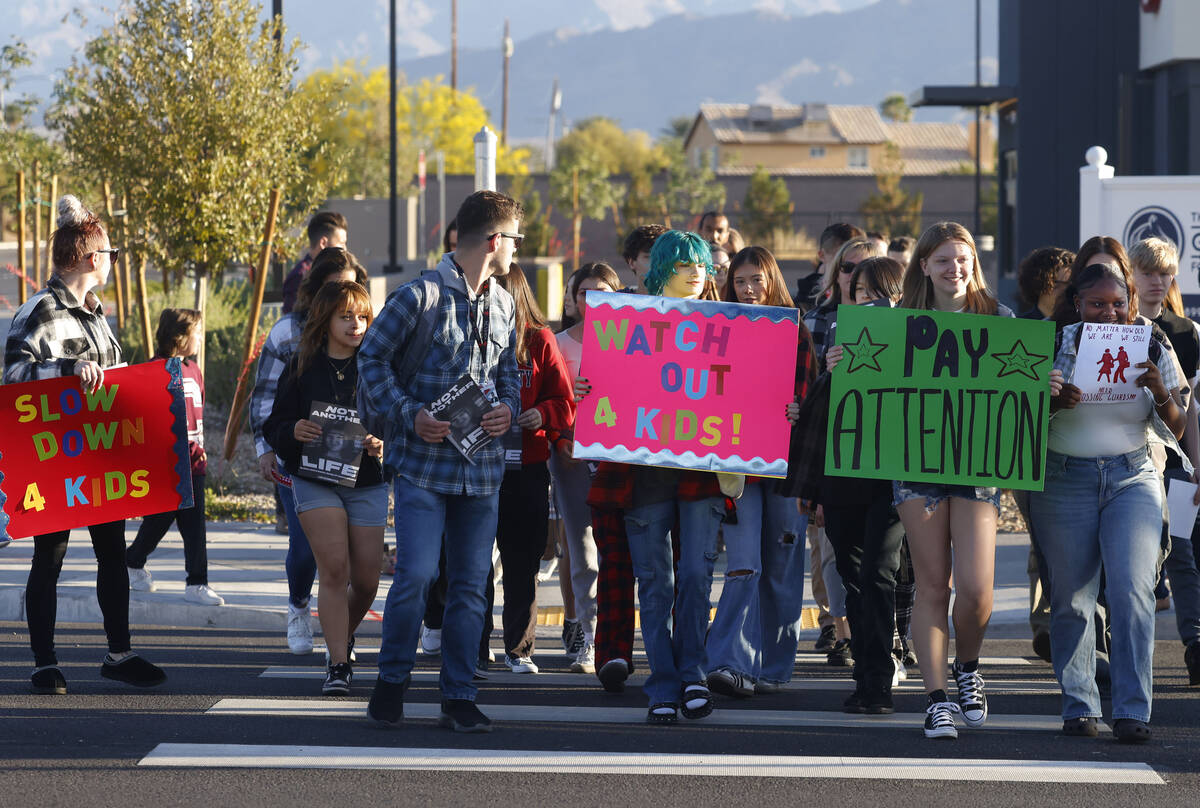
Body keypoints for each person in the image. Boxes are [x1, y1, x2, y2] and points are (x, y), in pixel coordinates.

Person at [360, 190, 522, 733]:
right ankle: (391, 683)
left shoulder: (504, 303)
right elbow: (371, 359)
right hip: (422, 469)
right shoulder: (418, 296)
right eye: (515, 239)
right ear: (494, 240)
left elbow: (508, 373)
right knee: (417, 576)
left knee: (471, 588)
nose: (517, 249)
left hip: (482, 473)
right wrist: (410, 414)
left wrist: (507, 408)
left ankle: (459, 696)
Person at [578, 231, 754, 725]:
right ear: (659, 269)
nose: (696, 272)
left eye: (700, 264)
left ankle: (692, 674)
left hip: (702, 476)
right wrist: (587, 388)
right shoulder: (625, 320)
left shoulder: (729, 324)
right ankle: (662, 683)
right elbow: (602, 385)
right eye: (682, 264)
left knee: (695, 577)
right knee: (655, 583)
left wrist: (778, 410)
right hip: (641, 476)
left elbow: (750, 387)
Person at [5, 195, 166, 695]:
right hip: (52, 460)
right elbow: (12, 378)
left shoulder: (97, 315)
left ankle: (119, 653)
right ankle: (44, 663)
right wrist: (68, 370)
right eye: (111, 254)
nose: (114, 262)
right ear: (93, 258)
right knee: (49, 557)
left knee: (112, 553)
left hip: (99, 457)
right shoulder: (38, 311)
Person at [1034, 261, 1184, 743]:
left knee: (1133, 592)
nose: (1110, 313)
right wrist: (1052, 401)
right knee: (1072, 598)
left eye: (1119, 303)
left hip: (1132, 477)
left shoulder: (1153, 342)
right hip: (1064, 479)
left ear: (1131, 303)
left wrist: (1159, 391)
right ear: (1078, 304)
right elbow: (1017, 418)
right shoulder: (1051, 343)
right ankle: (1080, 704)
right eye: (1097, 303)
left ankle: (1132, 709)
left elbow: (1180, 424)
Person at [891, 221, 1023, 739]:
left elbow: (1017, 390)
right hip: (915, 464)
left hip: (977, 466)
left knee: (975, 589)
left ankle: (968, 667)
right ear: (924, 265)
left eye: (963, 258)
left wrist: (1043, 383)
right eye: (943, 260)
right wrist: (843, 362)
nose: (955, 268)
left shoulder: (1000, 319)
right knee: (931, 584)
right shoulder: (898, 321)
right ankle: (936, 699)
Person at [264, 280, 386, 695]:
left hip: (366, 481)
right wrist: (292, 430)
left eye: (363, 317)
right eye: (346, 316)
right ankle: (337, 664)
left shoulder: (377, 367)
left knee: (366, 581)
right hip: (314, 479)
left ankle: (340, 635)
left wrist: (382, 442)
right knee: (334, 569)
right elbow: (275, 425)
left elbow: (395, 421)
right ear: (326, 319)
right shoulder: (302, 365)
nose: (356, 325)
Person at [705, 246, 813, 698]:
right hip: (738, 469)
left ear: (772, 280)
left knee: (783, 567)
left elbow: (810, 398)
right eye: (740, 281)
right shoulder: (718, 328)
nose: (749, 289)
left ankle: (774, 666)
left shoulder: (794, 329)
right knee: (744, 565)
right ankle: (729, 662)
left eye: (757, 280)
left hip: (786, 469)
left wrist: (799, 409)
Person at [250, 248, 368, 654]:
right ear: (316, 288)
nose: (344, 300)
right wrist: (266, 448)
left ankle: (341, 636)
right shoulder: (288, 332)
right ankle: (298, 604)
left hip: (353, 464)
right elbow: (265, 395)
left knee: (346, 557)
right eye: (334, 288)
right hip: (297, 461)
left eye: (351, 289)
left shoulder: (365, 336)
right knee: (304, 547)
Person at [483, 263, 575, 674]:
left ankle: (519, 649)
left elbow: (565, 401)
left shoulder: (539, 339)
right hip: (476, 465)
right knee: (474, 563)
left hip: (527, 467)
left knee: (522, 564)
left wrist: (542, 414)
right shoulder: (469, 335)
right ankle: (473, 645)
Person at [803, 236, 882, 661]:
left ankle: (885, 638)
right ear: (837, 274)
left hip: (884, 456)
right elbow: (808, 396)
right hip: (834, 454)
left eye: (867, 268)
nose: (857, 277)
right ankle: (845, 632)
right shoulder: (818, 321)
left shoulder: (907, 322)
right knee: (834, 551)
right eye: (849, 268)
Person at [1129, 237, 1200, 687]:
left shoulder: (1186, 332)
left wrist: (1195, 463)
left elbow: (1190, 408)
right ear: (1132, 274)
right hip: (1129, 459)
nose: (1158, 281)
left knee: (1184, 554)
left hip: (1174, 460)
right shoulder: (1114, 323)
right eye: (1148, 273)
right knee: (1137, 565)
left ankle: (1195, 644)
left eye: (1165, 273)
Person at [125, 308, 223, 606]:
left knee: (194, 526)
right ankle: (133, 560)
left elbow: (198, 409)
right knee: (159, 520)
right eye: (197, 333)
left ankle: (197, 582)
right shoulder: (153, 371)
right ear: (179, 337)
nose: (201, 338)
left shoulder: (194, 370)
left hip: (194, 462)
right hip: (165, 464)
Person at [552, 262, 621, 676]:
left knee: (624, 551)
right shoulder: (558, 344)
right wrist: (567, 405)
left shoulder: (636, 340)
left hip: (622, 457)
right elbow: (546, 401)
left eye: (603, 292)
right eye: (584, 293)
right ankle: (590, 639)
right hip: (571, 456)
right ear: (573, 299)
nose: (593, 300)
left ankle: (620, 639)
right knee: (581, 548)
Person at [281, 211, 348, 315]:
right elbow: (292, 319)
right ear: (323, 243)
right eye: (341, 243)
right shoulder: (299, 277)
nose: (345, 249)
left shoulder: (333, 272)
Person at [794, 223, 865, 312]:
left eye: (862, 264)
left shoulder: (871, 298)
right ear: (822, 255)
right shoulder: (803, 305)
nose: (854, 273)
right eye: (846, 266)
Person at [1017, 246, 1074, 320]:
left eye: (1071, 284)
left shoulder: (1081, 325)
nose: (1066, 291)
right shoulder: (1017, 325)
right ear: (1037, 285)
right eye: (1057, 285)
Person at [622, 224, 667, 293]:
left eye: (664, 257)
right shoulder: (614, 299)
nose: (658, 264)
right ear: (632, 263)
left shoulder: (681, 299)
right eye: (650, 257)